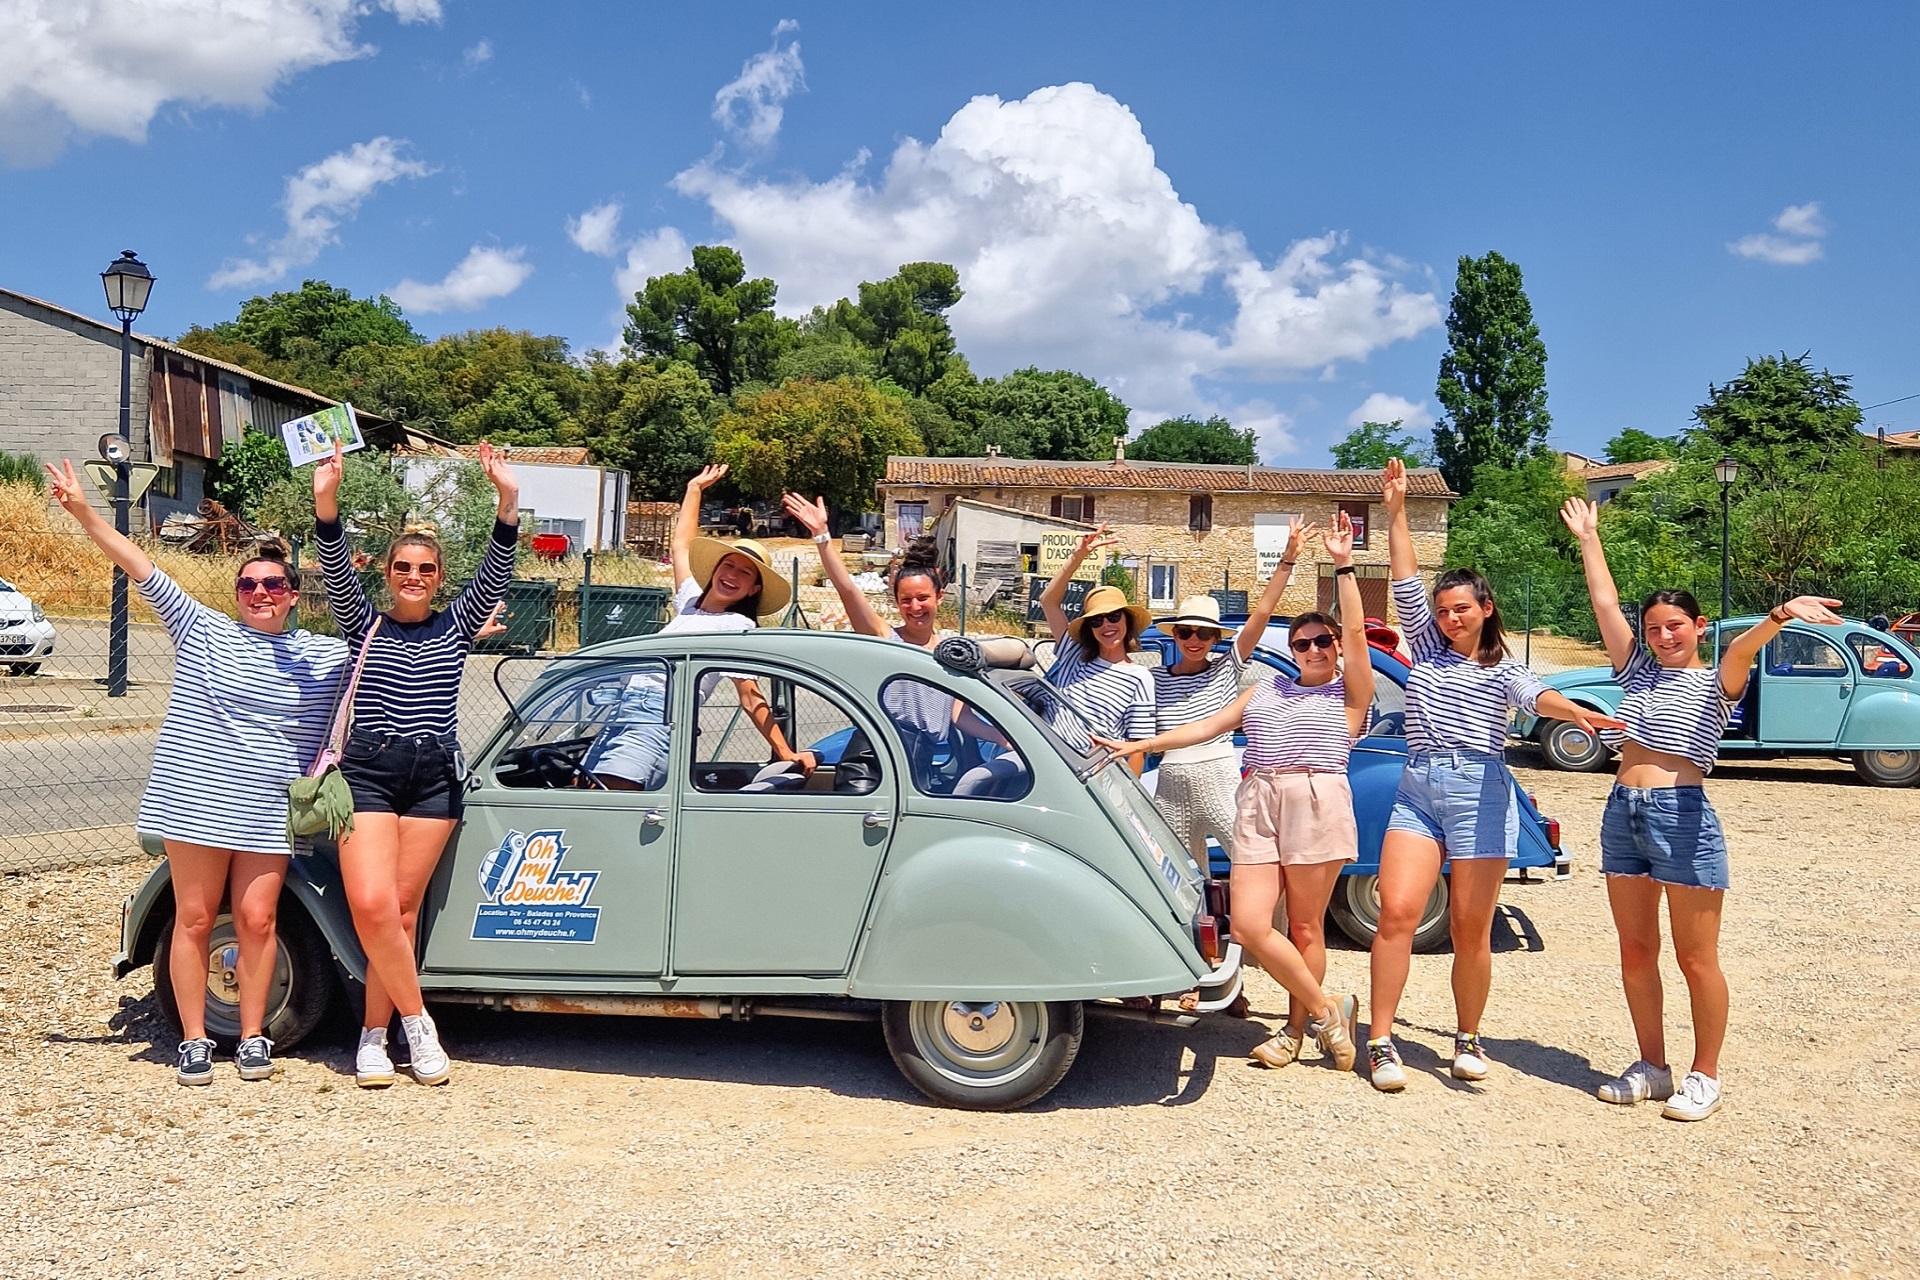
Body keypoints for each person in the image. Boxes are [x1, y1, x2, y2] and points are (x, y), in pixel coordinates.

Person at [45, 460, 349, 1086]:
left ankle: (255, 1035)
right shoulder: (202, 630)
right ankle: (194, 1038)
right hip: (196, 802)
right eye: (248, 585)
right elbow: (137, 563)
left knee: (259, 920)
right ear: (235, 595)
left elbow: (393, 646)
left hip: (268, 806)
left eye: (272, 584)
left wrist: (467, 630)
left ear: (293, 595)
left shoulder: (322, 652)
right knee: (193, 918)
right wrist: (81, 511)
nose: (259, 593)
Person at [1561, 496, 1846, 1121]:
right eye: (1655, 627)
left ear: (1698, 626)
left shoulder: (1717, 680)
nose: (1664, 636)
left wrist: (1777, 616)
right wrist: (1590, 539)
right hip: (1622, 813)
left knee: (1696, 957)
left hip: (1683, 816)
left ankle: (1704, 1074)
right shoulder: (1634, 671)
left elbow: (1744, 649)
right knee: (1636, 951)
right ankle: (1653, 1067)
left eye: (1676, 626)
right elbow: (1606, 604)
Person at [1367, 458, 1624, 1092]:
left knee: (1468, 927)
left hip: (1481, 793)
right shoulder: (1424, 649)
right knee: (1397, 912)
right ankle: (1379, 1040)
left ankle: (1467, 1037)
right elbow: (1403, 577)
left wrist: (1582, 715)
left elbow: (1539, 699)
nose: (1450, 618)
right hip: (1419, 790)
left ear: (1486, 609)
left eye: (1461, 609)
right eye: (1442, 610)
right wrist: (1396, 510)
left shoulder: (1502, 668)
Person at [1098, 515, 1373, 1071]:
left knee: (1303, 925)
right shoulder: (1269, 686)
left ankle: (1295, 1030)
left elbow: (1357, 636)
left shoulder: (1350, 692)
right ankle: (1328, 1010)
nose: (1315, 648)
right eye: (1304, 642)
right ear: (1293, 649)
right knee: (1249, 924)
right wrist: (1143, 741)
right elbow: (1209, 725)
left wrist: (1344, 565)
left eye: (1324, 641)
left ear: (1336, 648)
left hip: (1315, 800)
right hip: (1258, 801)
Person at [313, 439, 520, 1089]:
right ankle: (418, 1023)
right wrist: (327, 500)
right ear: (389, 573)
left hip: (433, 778)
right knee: (372, 905)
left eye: (425, 569)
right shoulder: (362, 623)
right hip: (368, 773)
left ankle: (373, 1040)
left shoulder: (457, 625)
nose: (413, 576)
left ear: (439, 578)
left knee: (401, 912)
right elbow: (332, 565)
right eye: (403, 566)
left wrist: (506, 497)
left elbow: (499, 568)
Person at [781, 493, 1027, 796]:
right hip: (882, 760)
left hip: (927, 763)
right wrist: (821, 535)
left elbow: (959, 717)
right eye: (906, 600)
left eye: (922, 598)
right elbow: (847, 589)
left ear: (939, 597)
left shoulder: (952, 653)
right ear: (896, 603)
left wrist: (1004, 738)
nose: (915, 607)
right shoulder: (887, 639)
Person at [584, 464, 810, 791]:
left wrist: (785, 751)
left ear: (754, 590)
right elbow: (680, 546)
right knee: (585, 789)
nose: (732, 575)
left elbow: (750, 696)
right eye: (728, 565)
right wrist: (694, 489)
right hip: (624, 706)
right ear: (715, 570)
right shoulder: (691, 601)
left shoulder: (737, 625)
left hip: (659, 713)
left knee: (613, 791)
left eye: (745, 573)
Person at [1146, 517, 1312, 874]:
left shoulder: (1226, 668)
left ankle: (1268, 929)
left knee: (1256, 864)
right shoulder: (1153, 678)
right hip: (1170, 780)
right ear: (1175, 634)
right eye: (1186, 632)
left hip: (1219, 774)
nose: (1194, 640)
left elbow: (1263, 613)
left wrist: (1287, 560)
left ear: (1215, 639)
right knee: (1172, 875)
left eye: (1204, 634)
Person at [1036, 526, 1155, 768]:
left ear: (1127, 621)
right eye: (1097, 620)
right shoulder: (1073, 654)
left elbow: (1136, 748)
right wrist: (1077, 557)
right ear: (1089, 627)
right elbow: (1048, 601)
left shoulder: (1139, 677)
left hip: (1095, 773)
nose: (1106, 626)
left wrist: (1127, 798)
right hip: (1046, 762)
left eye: (1113, 617)